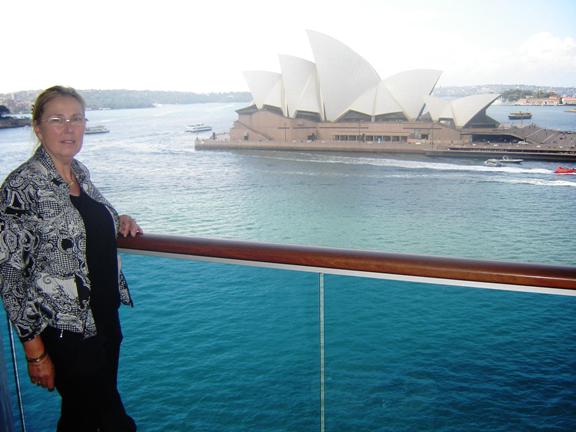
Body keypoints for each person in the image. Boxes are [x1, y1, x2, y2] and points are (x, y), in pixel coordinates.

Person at [0, 86, 143, 431]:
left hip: (104, 320)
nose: (69, 128)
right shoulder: (21, 186)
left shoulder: (79, 172)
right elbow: (10, 276)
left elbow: (84, 221)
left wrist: (119, 219)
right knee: (113, 421)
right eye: (57, 119)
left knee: (81, 418)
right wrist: (35, 353)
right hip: (66, 331)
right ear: (38, 128)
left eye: (76, 119)